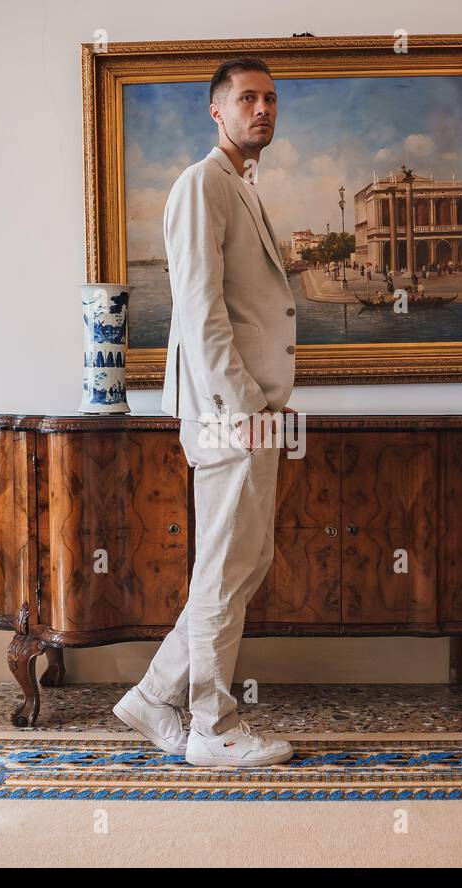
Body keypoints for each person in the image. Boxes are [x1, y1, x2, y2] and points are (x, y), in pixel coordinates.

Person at [113, 56, 297, 768]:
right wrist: (244, 404)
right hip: (232, 410)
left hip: (254, 409)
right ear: (216, 111)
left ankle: (153, 698)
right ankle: (211, 728)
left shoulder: (239, 188)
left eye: (272, 100)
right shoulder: (201, 186)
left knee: (245, 562)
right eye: (248, 98)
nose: (263, 109)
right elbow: (199, 310)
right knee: (224, 568)